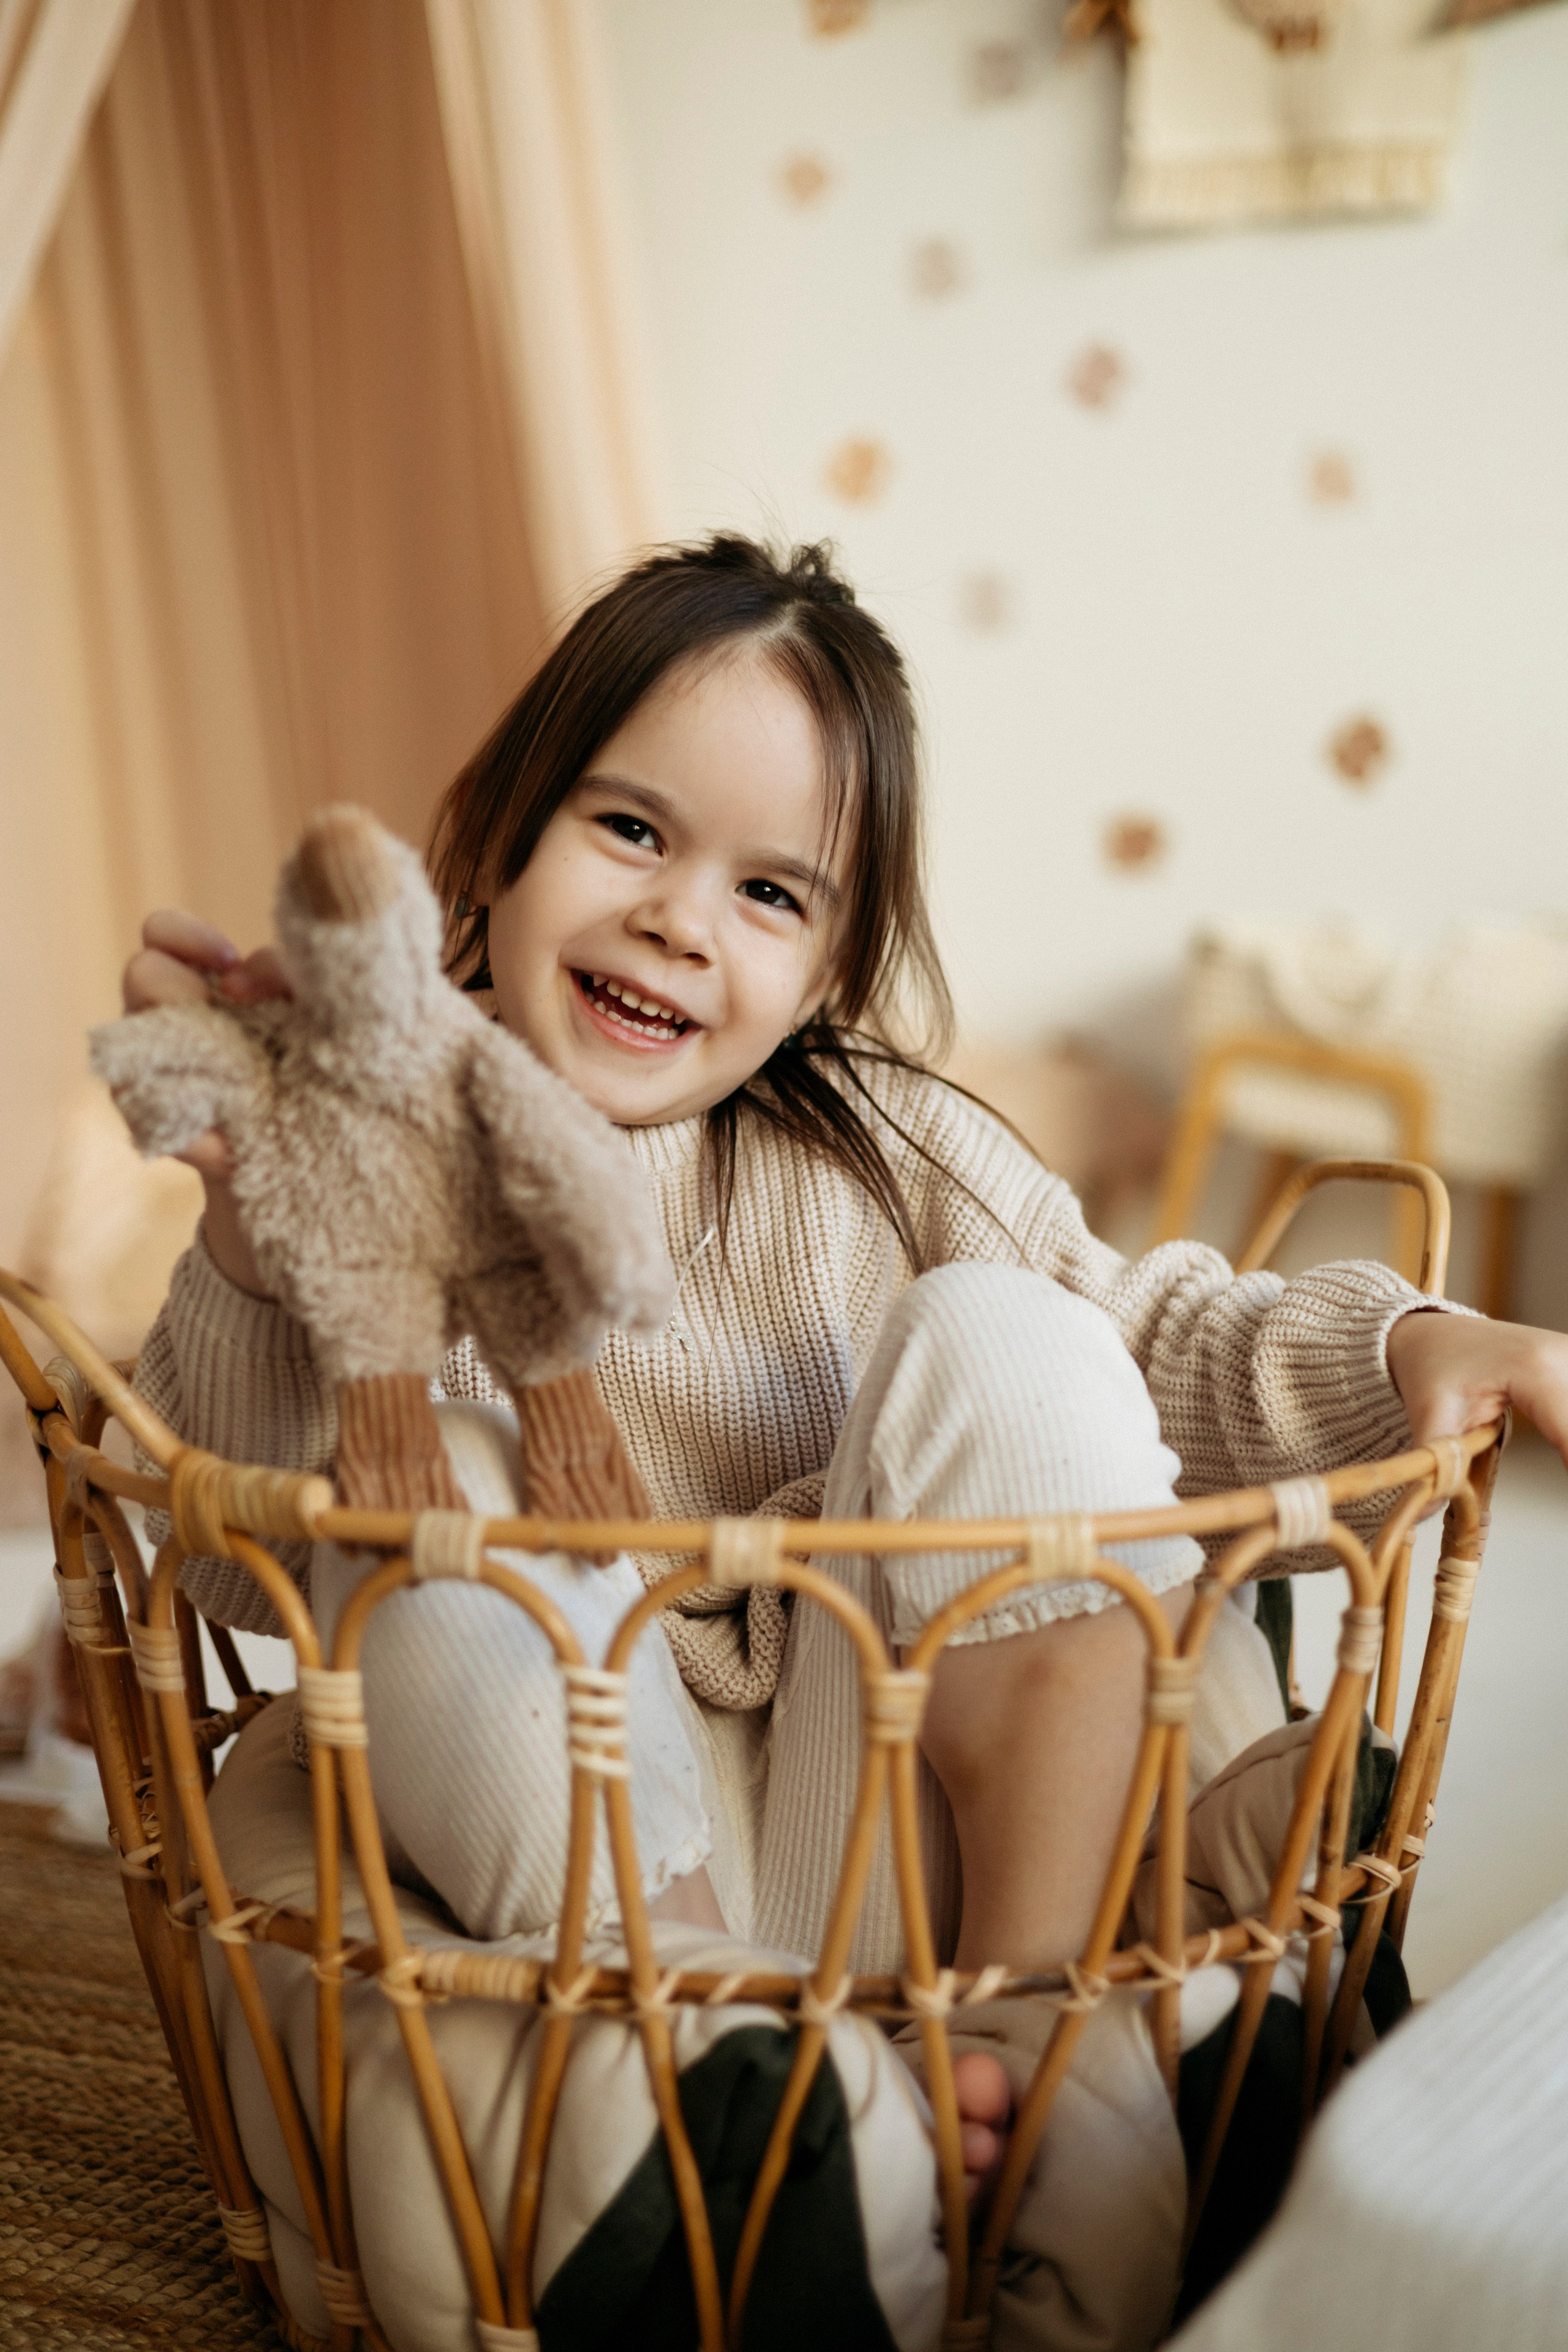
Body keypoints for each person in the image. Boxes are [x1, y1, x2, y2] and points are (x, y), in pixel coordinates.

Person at [119, 534, 1568, 2231]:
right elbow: (231, 1558)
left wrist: (1408, 1348)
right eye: (632, 831)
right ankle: (745, 2108)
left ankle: (1053, 2035)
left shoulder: (879, 1147)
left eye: (768, 892)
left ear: (825, 975)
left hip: (909, 1858)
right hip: (622, 1920)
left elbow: (1157, 1339)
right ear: (493, 847)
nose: (675, 917)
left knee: (1012, 1333)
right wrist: (244, 1214)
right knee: (420, 1472)